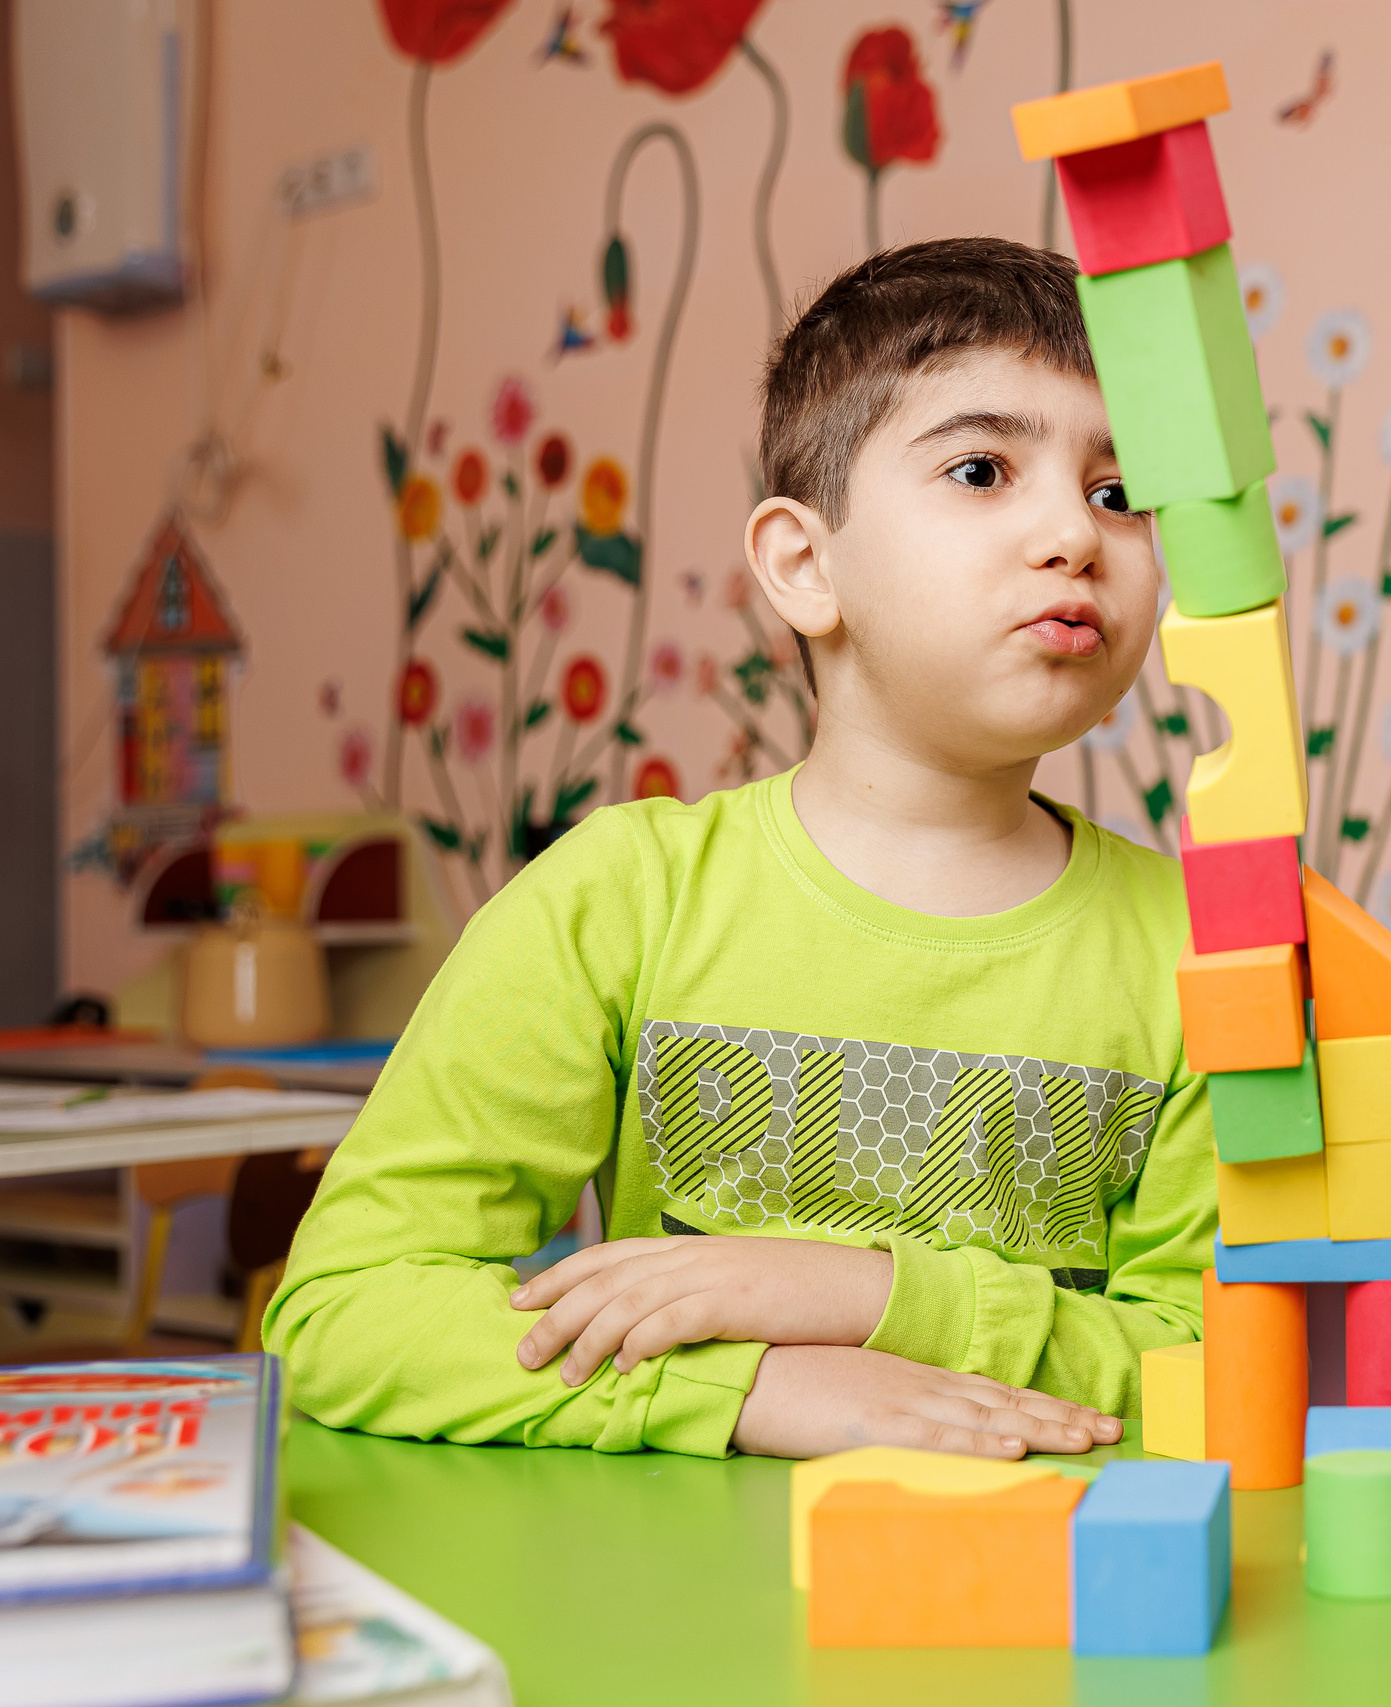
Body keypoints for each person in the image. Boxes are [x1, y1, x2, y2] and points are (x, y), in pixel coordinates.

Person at [268, 239, 1213, 1460]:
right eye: (982, 469)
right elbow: (346, 1309)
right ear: (804, 565)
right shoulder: (619, 898)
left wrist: (863, 1295)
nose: (1073, 536)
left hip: (1063, 1614)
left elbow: (1216, 1356)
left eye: (1117, 492)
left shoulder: (1203, 948)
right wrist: (758, 1388)